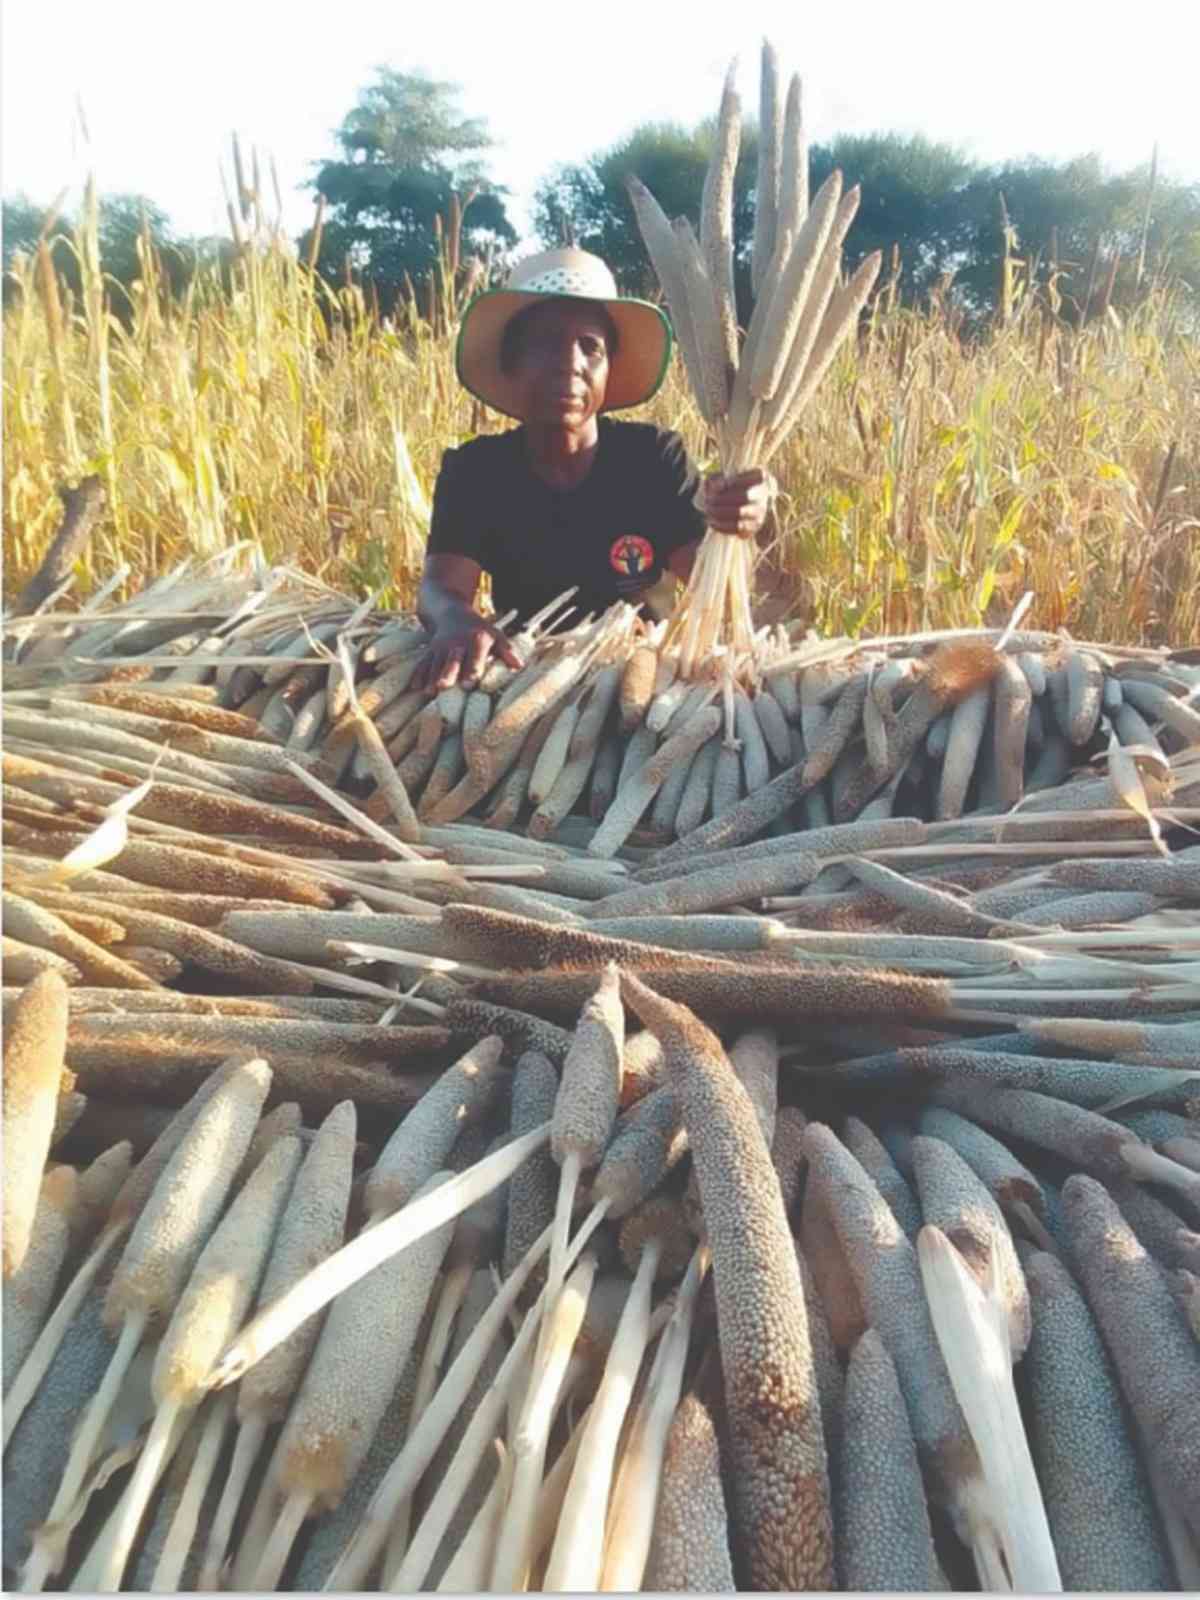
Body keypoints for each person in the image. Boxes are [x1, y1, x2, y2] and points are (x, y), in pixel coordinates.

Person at [413, 248, 771, 691]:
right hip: (529, 677)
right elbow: (440, 588)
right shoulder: (475, 471)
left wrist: (735, 530)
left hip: (639, 679)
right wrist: (455, 619)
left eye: (591, 347)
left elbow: (713, 583)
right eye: (545, 343)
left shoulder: (653, 458)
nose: (571, 362)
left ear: (608, 369)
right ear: (512, 362)